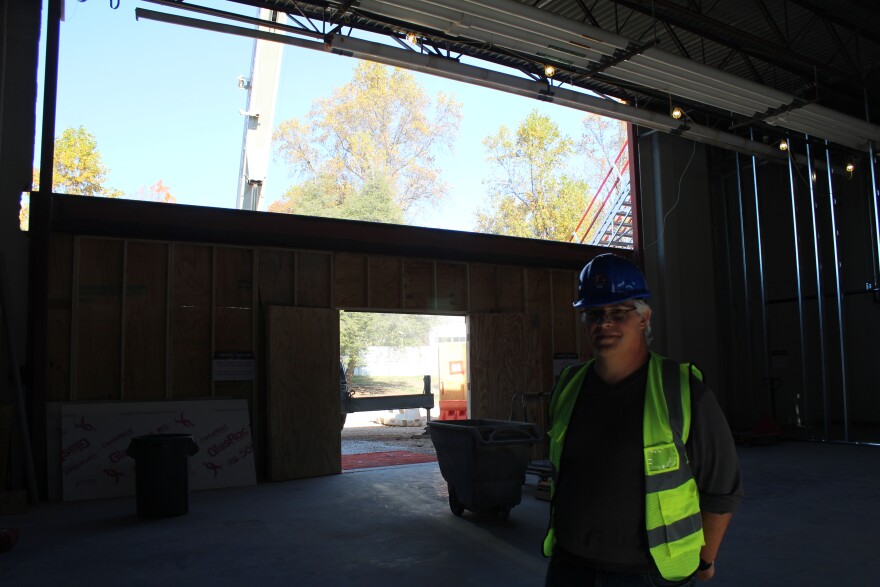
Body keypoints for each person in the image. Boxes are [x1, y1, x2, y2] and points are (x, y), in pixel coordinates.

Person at [543, 253, 742, 587]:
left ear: (644, 318)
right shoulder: (568, 386)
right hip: (569, 567)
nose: (604, 322)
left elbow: (721, 490)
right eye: (594, 313)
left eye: (618, 312)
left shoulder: (683, 391)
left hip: (648, 575)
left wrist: (705, 560)